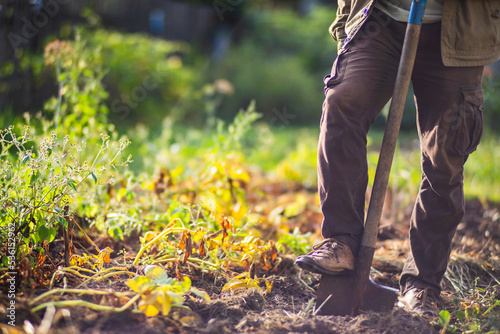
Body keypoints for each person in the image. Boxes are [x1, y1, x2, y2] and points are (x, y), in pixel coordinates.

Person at [295, 0, 500, 316]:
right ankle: (342, 241)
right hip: (380, 19)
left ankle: (423, 283)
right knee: (342, 102)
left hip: (459, 34)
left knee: (444, 157)